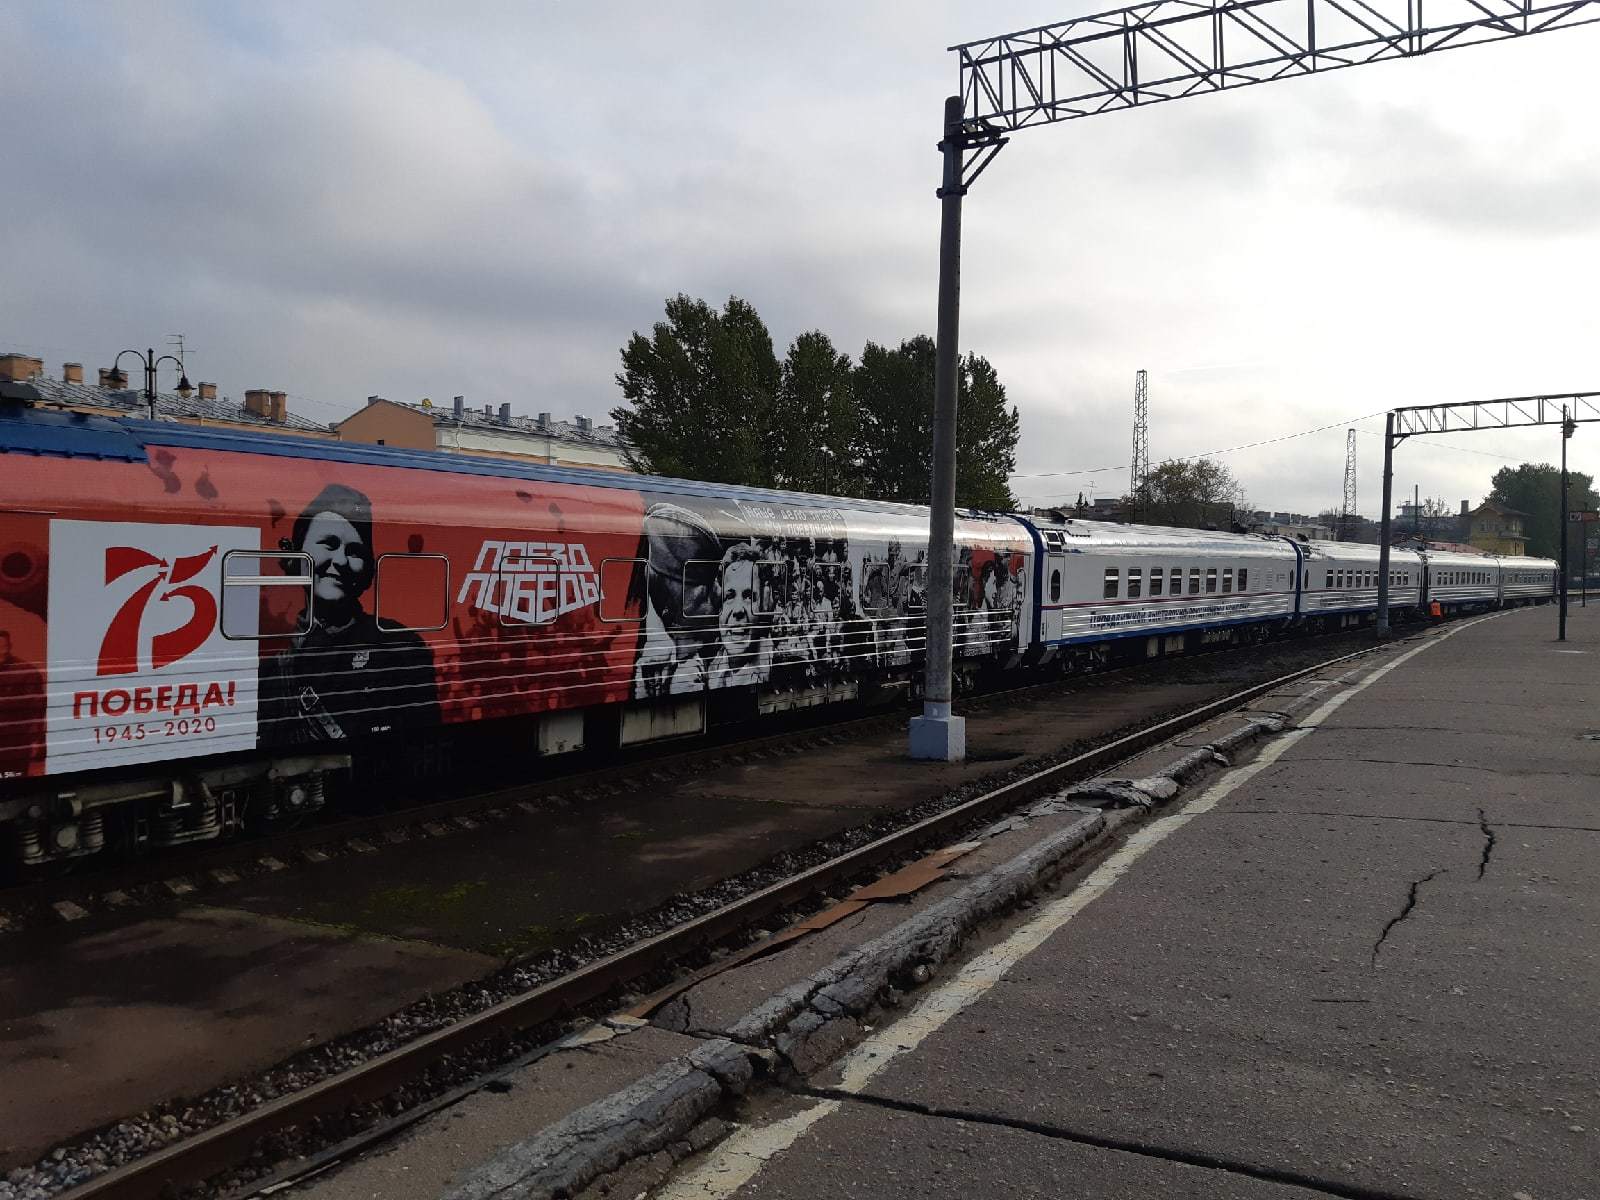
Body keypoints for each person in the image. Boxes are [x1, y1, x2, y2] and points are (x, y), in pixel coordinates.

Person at [259, 483, 438, 744]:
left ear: (366, 570)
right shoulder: (270, 659)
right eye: (328, 544)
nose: (341, 561)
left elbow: (424, 738)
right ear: (297, 556)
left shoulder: (399, 647)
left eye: (355, 551)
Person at [706, 544, 772, 689]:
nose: (737, 610)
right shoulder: (709, 672)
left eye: (748, 596)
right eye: (729, 596)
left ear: (762, 607)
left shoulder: (775, 671)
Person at [0, 630, 45, 778]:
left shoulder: (26, 672)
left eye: (3, 647)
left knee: (13, 781)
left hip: (15, 743)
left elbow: (37, 709)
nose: (1, 652)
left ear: (10, 646)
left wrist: (35, 741)